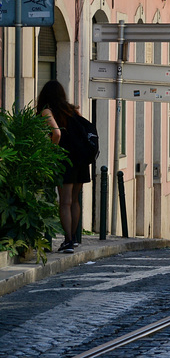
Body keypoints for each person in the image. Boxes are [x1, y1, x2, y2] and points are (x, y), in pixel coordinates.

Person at [36, 80, 90, 254]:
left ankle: (67, 241)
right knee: (74, 200)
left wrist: (52, 151)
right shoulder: (72, 109)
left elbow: (56, 133)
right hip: (80, 159)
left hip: (64, 160)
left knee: (65, 202)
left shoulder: (47, 111)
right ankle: (73, 239)